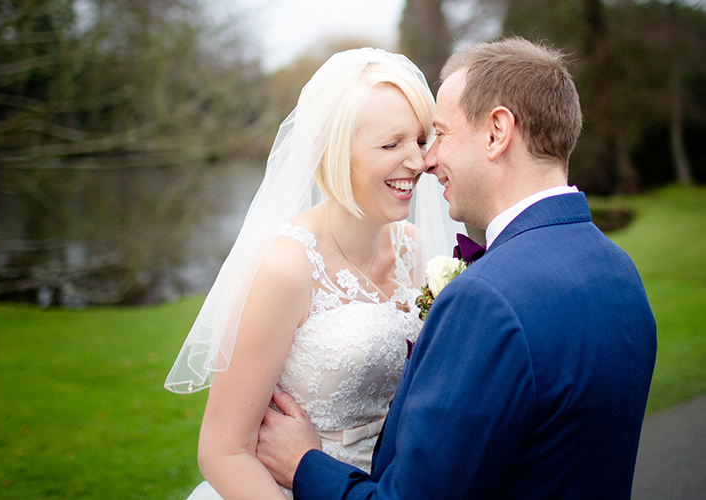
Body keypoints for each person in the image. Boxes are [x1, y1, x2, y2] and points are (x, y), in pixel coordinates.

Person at [255, 37, 658, 499]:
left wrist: (304, 466)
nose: (427, 160)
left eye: (440, 134)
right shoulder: (620, 273)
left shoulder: (487, 299)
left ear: (496, 132)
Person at [164, 48, 465, 499]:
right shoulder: (287, 267)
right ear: (334, 153)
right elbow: (224, 452)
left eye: (420, 141)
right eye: (391, 144)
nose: (419, 162)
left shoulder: (419, 250)